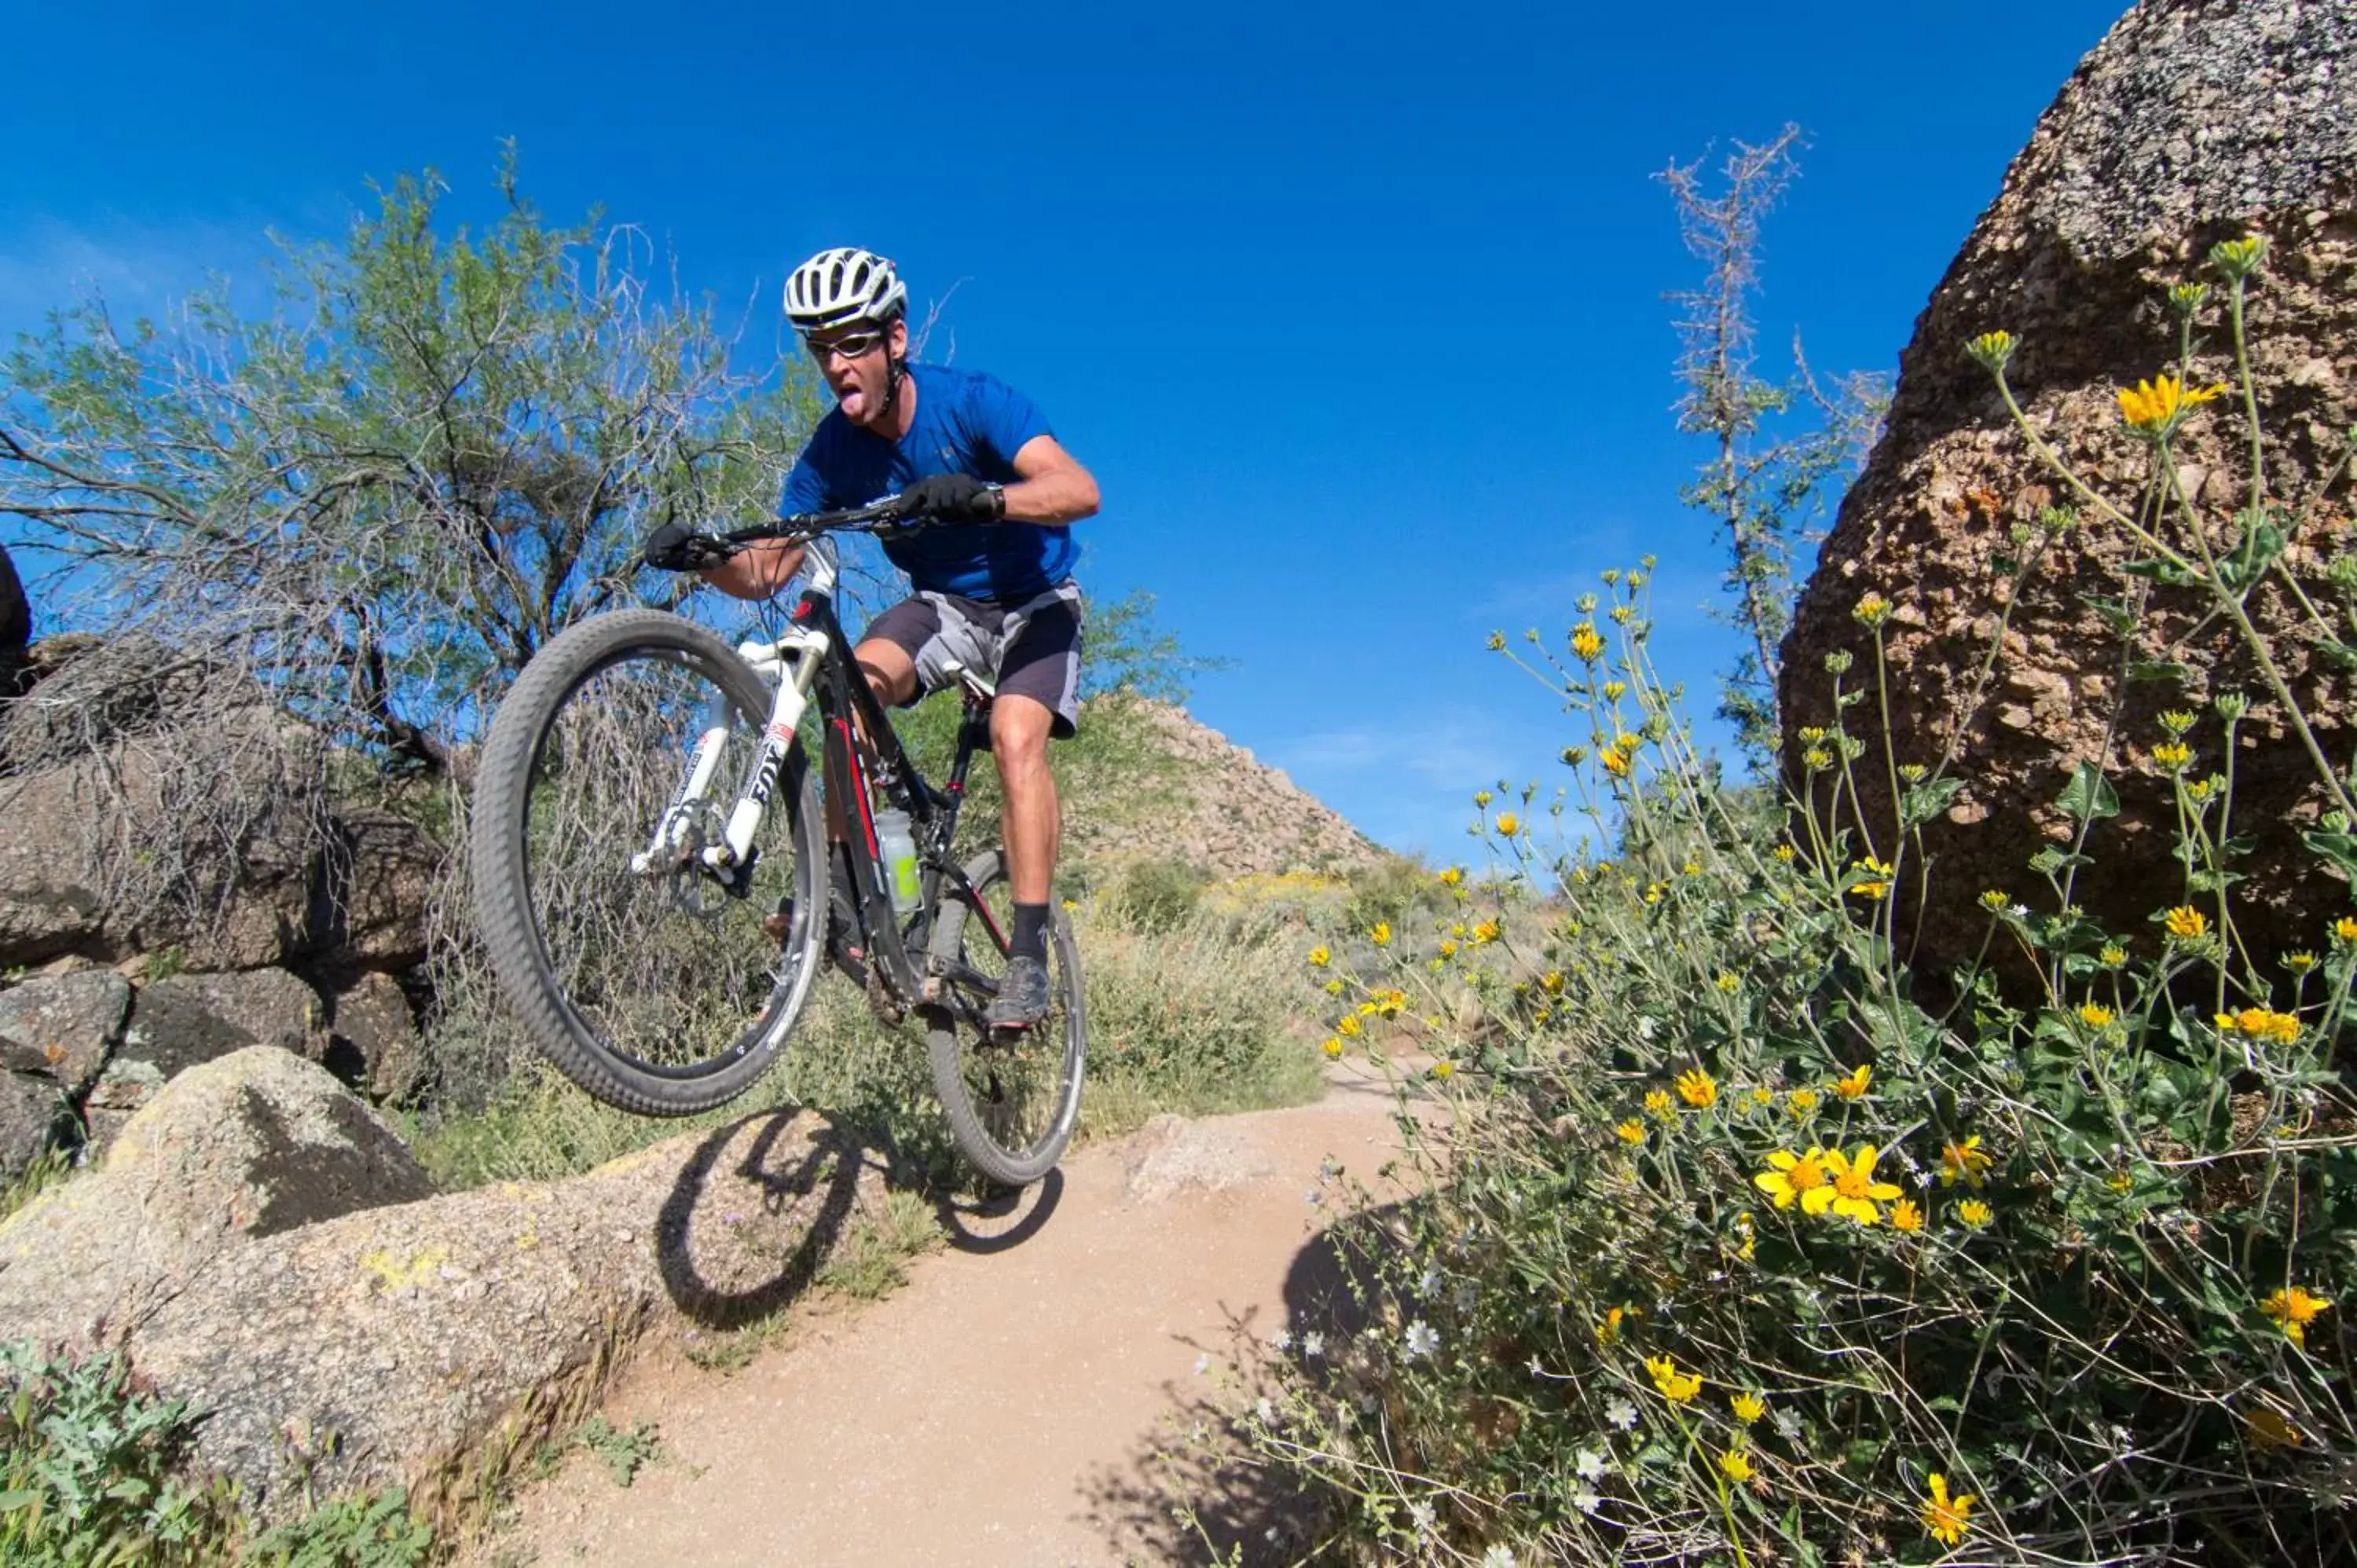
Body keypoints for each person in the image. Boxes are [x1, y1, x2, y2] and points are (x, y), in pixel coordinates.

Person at [642, 247, 1099, 1028]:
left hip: (1035, 604)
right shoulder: (833, 452)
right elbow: (768, 569)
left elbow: (1076, 490)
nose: (835, 364)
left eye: (851, 342)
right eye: (821, 348)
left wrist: (988, 498)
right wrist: (705, 559)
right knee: (846, 700)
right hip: (944, 606)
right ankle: (847, 900)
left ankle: (1027, 959)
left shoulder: (973, 403)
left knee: (1015, 733)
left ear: (894, 340)